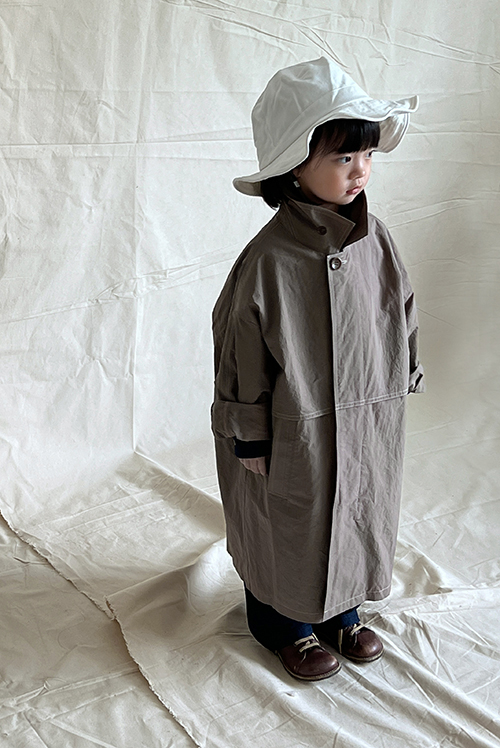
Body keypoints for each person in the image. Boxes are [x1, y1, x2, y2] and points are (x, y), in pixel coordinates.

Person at [211, 57, 425, 681]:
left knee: (358, 509)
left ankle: (343, 612)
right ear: (293, 165)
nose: (360, 170)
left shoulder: (376, 240)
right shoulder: (268, 260)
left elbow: (400, 307)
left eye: (367, 155)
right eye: (342, 157)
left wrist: (404, 368)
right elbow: (239, 349)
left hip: (368, 413)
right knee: (292, 523)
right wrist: (249, 433)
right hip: (292, 428)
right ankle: (283, 625)